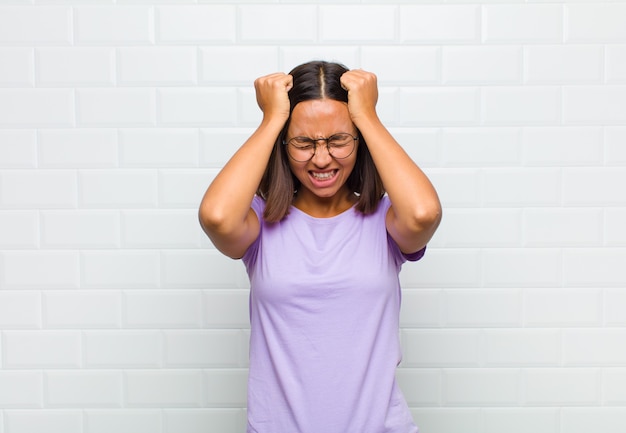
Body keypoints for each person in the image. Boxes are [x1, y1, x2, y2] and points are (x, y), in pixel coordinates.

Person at [199, 60, 441, 433]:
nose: (322, 157)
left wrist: (368, 117)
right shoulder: (259, 222)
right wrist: (271, 120)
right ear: (284, 144)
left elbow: (424, 214)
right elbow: (216, 216)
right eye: (304, 142)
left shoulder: (386, 219)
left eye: (338, 139)